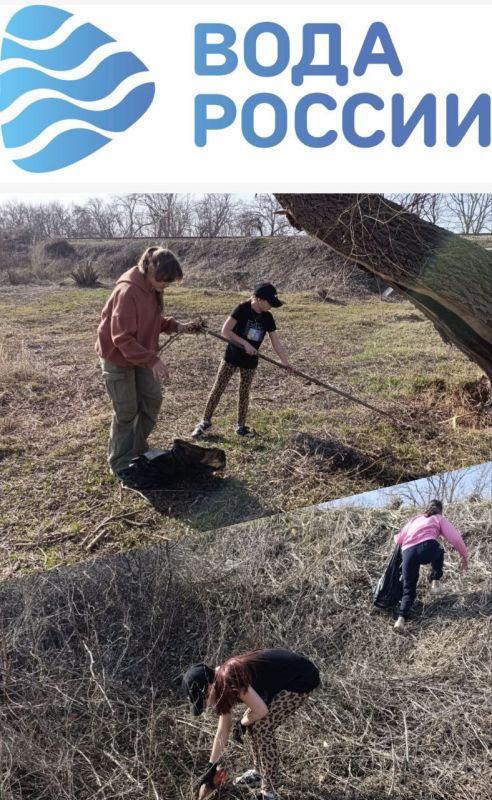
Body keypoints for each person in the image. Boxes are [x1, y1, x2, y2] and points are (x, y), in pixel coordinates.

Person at [95, 245, 201, 480]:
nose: (164, 285)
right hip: (118, 357)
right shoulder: (127, 291)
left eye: (168, 282)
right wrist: (153, 360)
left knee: (152, 399)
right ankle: (120, 463)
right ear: (149, 268)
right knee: (126, 411)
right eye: (162, 280)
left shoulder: (151, 288)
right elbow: (121, 337)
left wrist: (178, 327)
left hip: (140, 354)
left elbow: (152, 320)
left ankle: (136, 447)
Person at [183, 648, 320, 800]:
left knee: (262, 726)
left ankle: (269, 792)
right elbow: (222, 730)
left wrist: (242, 722)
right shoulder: (219, 686)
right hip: (279, 681)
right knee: (252, 722)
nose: (207, 705)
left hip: (301, 678)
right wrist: (211, 767)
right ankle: (258, 772)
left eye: (205, 700)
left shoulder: (230, 677)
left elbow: (261, 711)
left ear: (209, 686)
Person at [192, 283, 292, 439]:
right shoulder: (242, 309)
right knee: (218, 388)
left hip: (250, 361)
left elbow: (275, 342)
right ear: (259, 299)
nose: (271, 307)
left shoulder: (267, 317)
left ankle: (241, 426)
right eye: (269, 303)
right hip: (232, 357)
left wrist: (285, 362)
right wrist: (245, 344)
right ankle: (205, 422)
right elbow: (225, 331)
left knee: (244, 392)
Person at [393, 499, 468, 631]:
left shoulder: (415, 519)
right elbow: (455, 538)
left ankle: (400, 619)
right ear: (440, 510)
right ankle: (435, 583)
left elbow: (398, 539)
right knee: (439, 550)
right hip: (427, 548)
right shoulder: (439, 518)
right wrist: (464, 556)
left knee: (409, 588)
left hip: (407, 552)